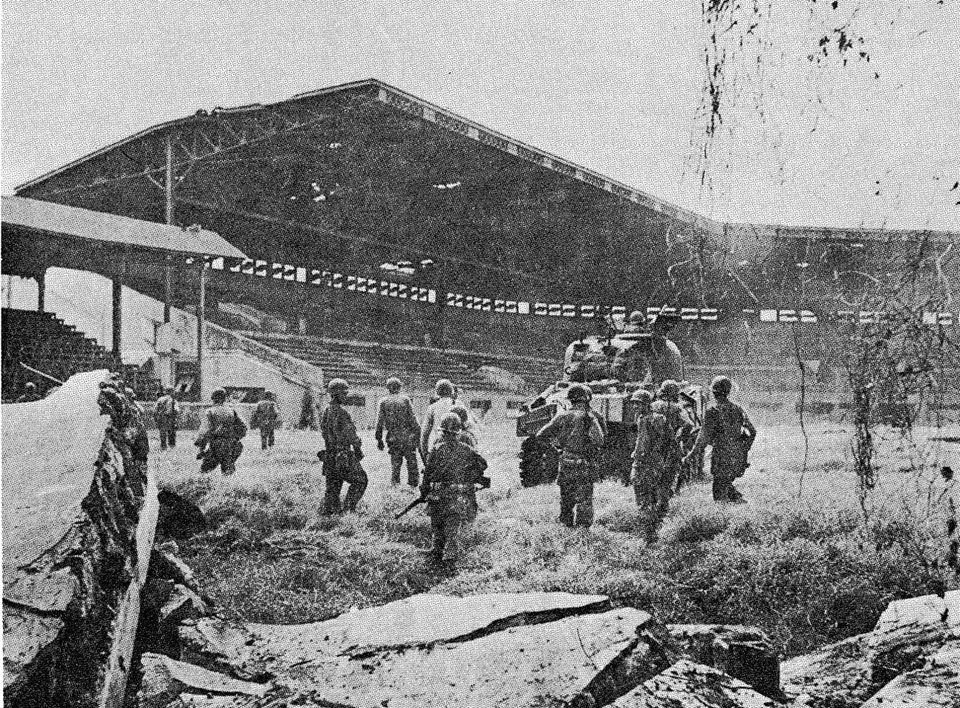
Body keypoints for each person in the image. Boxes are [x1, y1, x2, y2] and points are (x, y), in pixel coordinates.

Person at [420, 413, 490, 565]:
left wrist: (424, 491)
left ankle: (437, 552)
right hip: (457, 495)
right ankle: (449, 556)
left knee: (437, 526)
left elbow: (427, 474)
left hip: (437, 495)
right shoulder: (467, 450)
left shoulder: (436, 450)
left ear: (443, 433)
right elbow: (483, 464)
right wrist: (471, 475)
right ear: (458, 433)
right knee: (452, 527)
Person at [535, 384, 605, 528]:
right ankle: (582, 534)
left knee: (566, 500)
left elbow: (541, 435)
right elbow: (600, 440)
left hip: (566, 462)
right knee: (584, 501)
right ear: (587, 399)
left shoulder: (561, 415)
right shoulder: (590, 417)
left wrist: (558, 448)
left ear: (571, 400)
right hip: (584, 464)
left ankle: (565, 529)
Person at [685, 375, 756, 503]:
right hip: (737, 457)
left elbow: (703, 438)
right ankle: (741, 506)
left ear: (713, 392)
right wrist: (743, 448)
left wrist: (691, 454)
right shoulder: (738, 409)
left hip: (721, 457)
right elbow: (752, 432)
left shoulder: (713, 411)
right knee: (726, 486)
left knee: (719, 495)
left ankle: (728, 517)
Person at [631, 389, 676, 542]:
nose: (635, 407)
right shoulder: (642, 418)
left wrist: (656, 455)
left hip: (650, 462)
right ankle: (648, 528)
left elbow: (666, 439)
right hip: (641, 461)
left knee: (648, 495)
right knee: (641, 493)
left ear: (646, 404)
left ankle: (650, 532)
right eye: (634, 404)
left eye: (638, 404)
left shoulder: (656, 419)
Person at [320, 378, 368, 514]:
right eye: (344, 393)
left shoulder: (326, 411)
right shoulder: (342, 413)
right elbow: (352, 436)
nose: (346, 396)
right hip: (343, 455)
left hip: (329, 455)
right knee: (361, 480)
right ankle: (347, 509)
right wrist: (358, 450)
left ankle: (330, 514)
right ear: (336, 394)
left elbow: (324, 433)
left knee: (333, 488)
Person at [375, 377, 421, 486]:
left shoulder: (383, 401)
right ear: (399, 387)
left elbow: (379, 423)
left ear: (388, 388)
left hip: (393, 436)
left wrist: (379, 439)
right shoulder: (405, 400)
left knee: (395, 463)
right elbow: (413, 419)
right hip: (407, 436)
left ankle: (395, 484)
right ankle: (413, 484)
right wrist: (417, 434)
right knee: (412, 462)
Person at [651, 380, 695, 489]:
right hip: (671, 443)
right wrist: (680, 437)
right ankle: (675, 489)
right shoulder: (677, 408)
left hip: (653, 443)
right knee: (675, 467)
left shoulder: (652, 406)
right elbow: (689, 424)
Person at [195, 388, 246, 475]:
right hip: (231, 444)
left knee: (203, 472)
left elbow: (204, 431)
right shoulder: (232, 411)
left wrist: (201, 447)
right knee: (228, 472)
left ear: (213, 398)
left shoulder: (210, 411)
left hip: (216, 444)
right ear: (225, 398)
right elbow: (243, 427)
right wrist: (235, 438)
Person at [420, 379, 456, 457]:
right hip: (457, 447)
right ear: (451, 390)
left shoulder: (432, 407)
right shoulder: (459, 405)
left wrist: (425, 453)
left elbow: (424, 434)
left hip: (439, 446)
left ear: (437, 391)